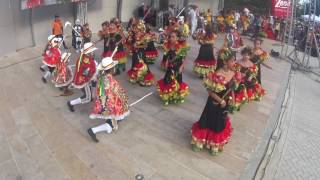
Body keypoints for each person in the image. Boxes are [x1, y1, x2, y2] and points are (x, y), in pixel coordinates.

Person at [191, 48, 240, 155]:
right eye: (232, 61)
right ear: (225, 62)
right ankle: (200, 142)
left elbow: (231, 88)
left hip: (224, 103)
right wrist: (220, 101)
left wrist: (232, 98)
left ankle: (215, 144)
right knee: (208, 121)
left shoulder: (233, 73)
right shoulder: (217, 74)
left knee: (219, 123)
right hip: (214, 103)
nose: (234, 63)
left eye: (234, 61)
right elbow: (209, 91)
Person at [87, 57, 130, 142]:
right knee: (119, 117)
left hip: (103, 101)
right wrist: (124, 101)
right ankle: (93, 130)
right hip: (110, 103)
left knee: (113, 118)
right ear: (112, 69)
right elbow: (118, 92)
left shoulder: (102, 77)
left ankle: (110, 125)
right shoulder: (110, 80)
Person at [157, 31, 189, 105]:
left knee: (177, 82)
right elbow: (167, 55)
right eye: (170, 36)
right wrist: (167, 61)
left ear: (177, 38)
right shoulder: (168, 45)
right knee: (168, 81)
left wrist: (181, 67)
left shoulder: (181, 47)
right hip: (170, 67)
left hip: (178, 67)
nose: (171, 38)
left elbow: (185, 57)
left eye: (173, 37)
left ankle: (175, 96)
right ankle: (168, 96)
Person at [67, 42, 98, 112]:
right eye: (92, 51)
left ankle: (91, 96)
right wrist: (94, 74)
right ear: (89, 52)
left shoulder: (84, 57)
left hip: (83, 79)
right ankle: (71, 103)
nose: (93, 52)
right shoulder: (87, 62)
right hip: (84, 81)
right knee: (87, 97)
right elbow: (86, 74)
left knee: (91, 91)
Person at [127, 21, 154, 86]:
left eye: (136, 28)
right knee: (135, 64)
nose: (134, 29)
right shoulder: (133, 35)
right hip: (135, 52)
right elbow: (130, 43)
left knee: (142, 65)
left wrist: (138, 46)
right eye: (134, 28)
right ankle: (137, 78)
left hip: (141, 53)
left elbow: (145, 46)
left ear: (140, 29)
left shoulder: (143, 36)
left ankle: (143, 79)